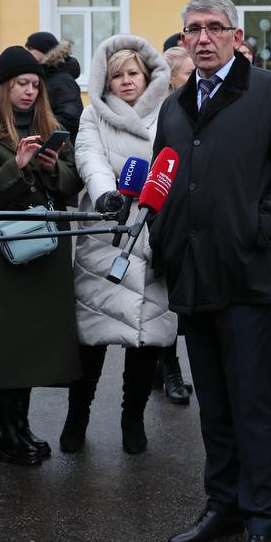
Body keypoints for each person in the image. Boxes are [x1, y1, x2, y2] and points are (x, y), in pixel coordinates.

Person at [151, 0, 271, 542]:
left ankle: (261, 521)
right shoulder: (174, 105)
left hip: (247, 275)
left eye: (213, 29)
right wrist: (161, 232)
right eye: (191, 29)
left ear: (236, 35)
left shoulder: (269, 92)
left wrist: (259, 228)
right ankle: (221, 504)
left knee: (251, 405)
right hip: (194, 275)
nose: (202, 38)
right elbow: (163, 177)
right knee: (214, 405)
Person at [0, 47, 82, 466]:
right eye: (20, 85)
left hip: (47, 248)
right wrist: (17, 165)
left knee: (31, 344)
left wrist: (49, 167)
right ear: (3, 88)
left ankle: (21, 426)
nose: (29, 92)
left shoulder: (51, 124)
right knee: (4, 344)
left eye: (34, 85)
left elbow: (70, 185)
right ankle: (3, 433)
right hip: (7, 251)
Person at [67, 35, 176, 454]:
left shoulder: (169, 112)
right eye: (117, 76)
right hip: (106, 227)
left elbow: (176, 159)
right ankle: (78, 416)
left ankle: (134, 420)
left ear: (147, 76)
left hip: (153, 227)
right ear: (105, 81)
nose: (126, 81)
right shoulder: (93, 115)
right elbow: (88, 155)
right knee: (92, 328)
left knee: (146, 333)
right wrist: (104, 193)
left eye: (133, 73)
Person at [153, 45, 196, 405]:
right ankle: (170, 371)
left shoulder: (192, 107)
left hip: (188, 217)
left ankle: (165, 367)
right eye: (188, 73)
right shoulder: (162, 112)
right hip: (162, 219)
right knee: (164, 303)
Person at [25, 31, 83, 138]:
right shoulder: (43, 77)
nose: (26, 52)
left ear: (45, 50)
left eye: (30, 48)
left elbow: (70, 118)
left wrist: (38, 131)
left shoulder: (63, 80)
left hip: (58, 148)